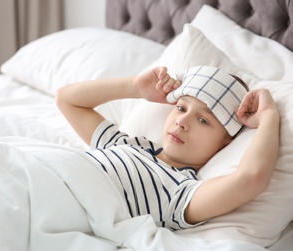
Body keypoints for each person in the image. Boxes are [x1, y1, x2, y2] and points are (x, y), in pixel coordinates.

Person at [55, 65, 280, 230]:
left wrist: (268, 116)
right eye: (181, 108)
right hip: (51, 172)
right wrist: (135, 87)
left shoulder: (180, 193)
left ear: (225, 143)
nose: (182, 122)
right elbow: (66, 99)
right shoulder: (129, 144)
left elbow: (252, 179)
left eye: (203, 120)